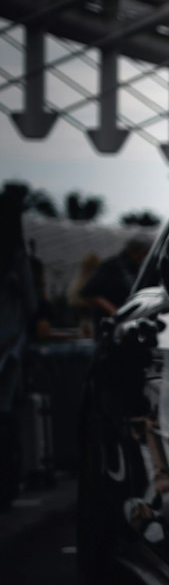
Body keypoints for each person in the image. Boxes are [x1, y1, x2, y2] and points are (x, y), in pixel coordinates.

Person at [0, 183, 38, 508]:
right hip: (8, 343)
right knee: (6, 414)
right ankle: (8, 483)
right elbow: (30, 301)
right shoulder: (15, 254)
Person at [78, 236, 152, 317]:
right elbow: (89, 293)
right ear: (136, 251)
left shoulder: (138, 267)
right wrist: (115, 312)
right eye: (145, 252)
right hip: (110, 320)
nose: (146, 255)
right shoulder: (111, 266)